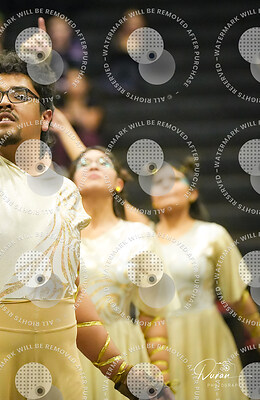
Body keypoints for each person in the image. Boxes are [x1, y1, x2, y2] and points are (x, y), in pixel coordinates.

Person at [0, 1, 175, 398]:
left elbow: (72, 301)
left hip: (55, 366)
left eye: (19, 94)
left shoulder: (67, 192)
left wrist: (123, 374)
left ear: (46, 117)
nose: (3, 101)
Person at [70, 147, 176, 400]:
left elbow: (153, 315)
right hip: (68, 349)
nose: (93, 165)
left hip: (124, 347)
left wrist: (164, 377)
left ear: (118, 182)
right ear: (70, 183)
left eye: (103, 162)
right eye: (84, 163)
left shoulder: (139, 236)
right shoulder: (58, 234)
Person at [151, 158, 259, 399]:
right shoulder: (141, 237)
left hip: (206, 336)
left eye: (173, 179)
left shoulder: (213, 235)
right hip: (157, 341)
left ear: (193, 193)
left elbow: (238, 297)